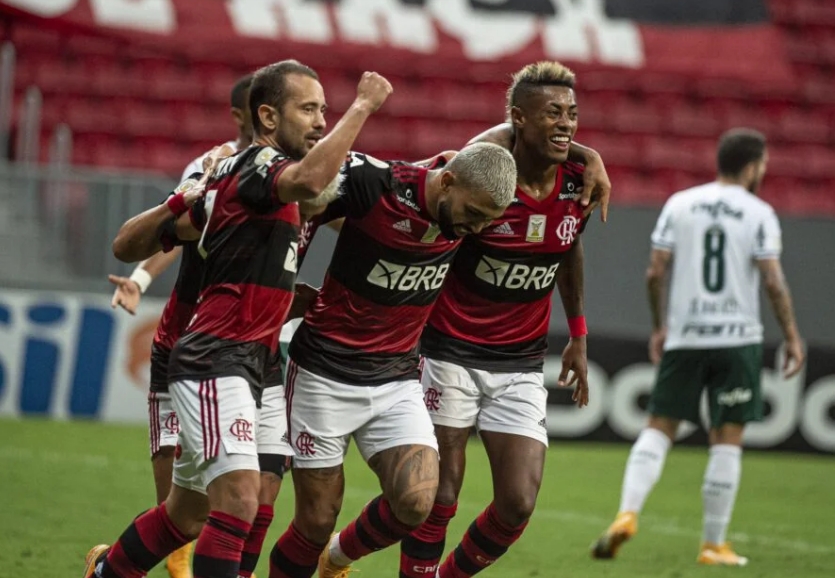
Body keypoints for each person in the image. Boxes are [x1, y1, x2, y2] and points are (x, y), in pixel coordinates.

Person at [83, 59, 392, 578]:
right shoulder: (258, 169)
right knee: (239, 499)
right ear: (268, 118)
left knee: (201, 510)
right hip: (214, 356)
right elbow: (127, 244)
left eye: (326, 109)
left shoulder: (252, 181)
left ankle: (105, 572)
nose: (321, 121)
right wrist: (362, 106)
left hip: (262, 360)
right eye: (309, 109)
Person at [266, 142, 517, 578]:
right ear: (449, 180)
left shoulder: (459, 201)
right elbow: (303, 195)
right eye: (473, 213)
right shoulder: (375, 184)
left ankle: (335, 562)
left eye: (486, 221)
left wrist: (588, 158)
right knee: (316, 521)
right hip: (322, 374)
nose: (475, 228)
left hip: (395, 378)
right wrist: (279, 288)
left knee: (417, 502)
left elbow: (512, 134)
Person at [397, 61, 591, 578]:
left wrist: (577, 333)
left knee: (518, 502)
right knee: (442, 492)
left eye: (572, 114)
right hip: (449, 349)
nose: (567, 124)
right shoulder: (481, 179)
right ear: (518, 119)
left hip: (521, 361)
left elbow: (570, 250)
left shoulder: (580, 181)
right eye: (553, 113)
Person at [590, 128, 805, 566]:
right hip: (737, 338)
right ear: (752, 166)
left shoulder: (680, 203)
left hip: (686, 336)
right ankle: (713, 544)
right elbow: (772, 280)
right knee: (727, 439)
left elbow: (654, 272)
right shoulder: (759, 212)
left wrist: (659, 326)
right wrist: (792, 335)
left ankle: (626, 513)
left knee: (658, 429)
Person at [106, 73, 255, 578]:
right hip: (188, 340)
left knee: (250, 487)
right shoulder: (209, 168)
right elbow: (175, 233)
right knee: (177, 498)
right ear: (248, 115)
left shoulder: (296, 174)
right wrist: (140, 278)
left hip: (247, 347)